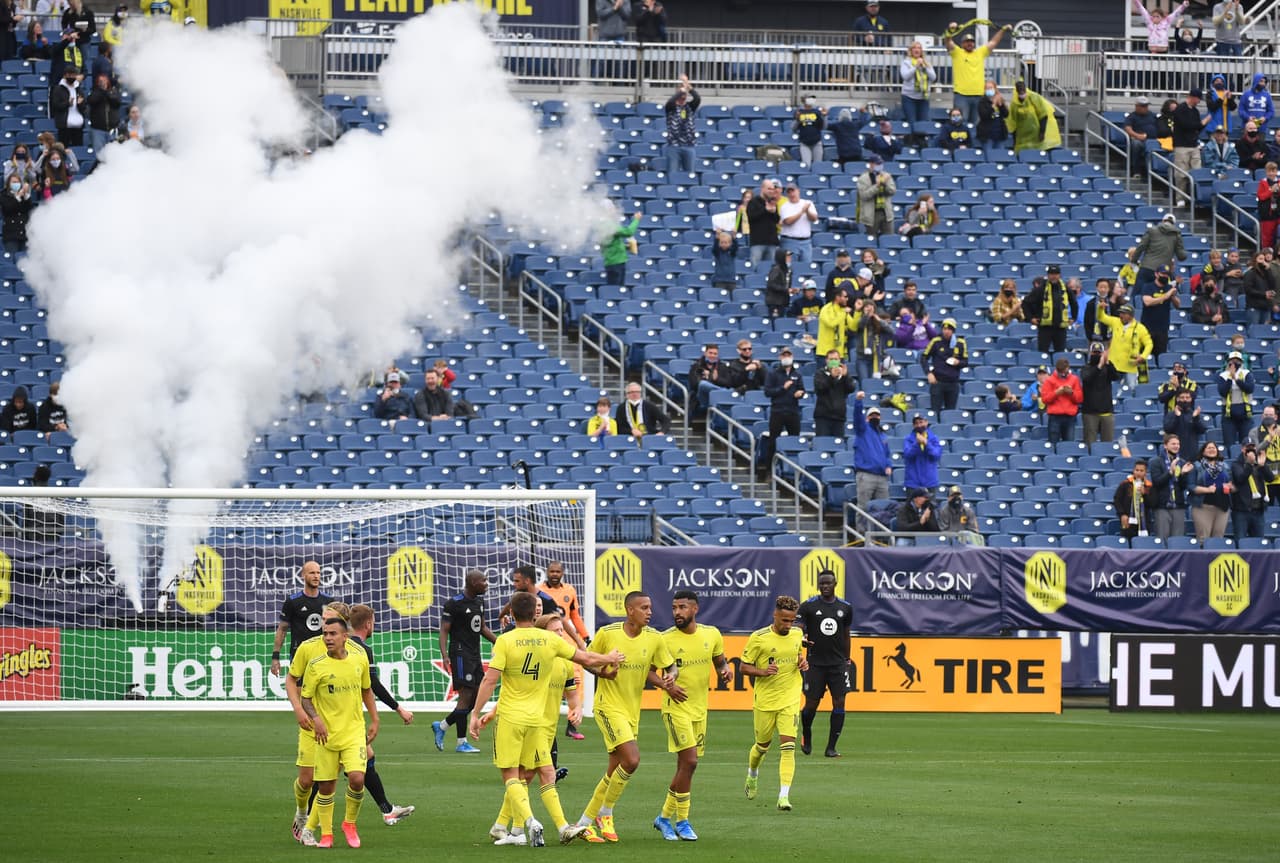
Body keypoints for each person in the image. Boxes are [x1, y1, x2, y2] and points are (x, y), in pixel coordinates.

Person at [473, 592, 625, 848]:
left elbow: (490, 679)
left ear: (510, 614)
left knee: (512, 775)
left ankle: (528, 823)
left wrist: (476, 714)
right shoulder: (549, 641)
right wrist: (610, 658)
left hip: (511, 718)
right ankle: (559, 827)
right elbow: (585, 658)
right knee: (543, 773)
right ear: (535, 613)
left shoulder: (505, 641)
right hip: (537, 721)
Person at [573, 590, 676, 843]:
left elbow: (668, 665)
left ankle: (584, 823)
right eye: (644, 608)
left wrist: (671, 677)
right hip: (608, 707)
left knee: (614, 769)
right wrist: (603, 673)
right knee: (631, 760)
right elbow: (587, 660)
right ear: (630, 610)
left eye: (650, 607)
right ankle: (605, 813)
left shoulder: (654, 638)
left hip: (631, 711)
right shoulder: (608, 634)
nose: (649, 612)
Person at [483, 612, 592, 846]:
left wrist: (577, 709)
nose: (561, 635)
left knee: (524, 775)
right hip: (531, 725)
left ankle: (507, 827)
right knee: (542, 774)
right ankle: (560, 827)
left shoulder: (563, 663)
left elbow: (572, 695)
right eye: (556, 632)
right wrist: (492, 713)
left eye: (562, 631)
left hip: (546, 728)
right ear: (543, 636)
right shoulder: (537, 661)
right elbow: (511, 691)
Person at [651, 590, 730, 842]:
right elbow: (649, 672)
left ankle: (663, 817)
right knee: (691, 762)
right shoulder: (664, 639)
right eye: (674, 607)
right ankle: (682, 821)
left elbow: (720, 662)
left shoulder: (712, 634)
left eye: (682, 607)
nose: (677, 612)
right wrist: (667, 686)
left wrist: (725, 671)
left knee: (685, 767)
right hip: (675, 709)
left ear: (695, 609)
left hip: (699, 709)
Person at [295, 615, 377, 849]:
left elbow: (367, 691)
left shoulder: (359, 660)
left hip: (353, 732)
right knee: (326, 787)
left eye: (332, 634)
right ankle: (327, 835)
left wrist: (375, 719)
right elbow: (306, 698)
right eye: (325, 634)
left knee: (357, 778)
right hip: (326, 735)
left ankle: (349, 823)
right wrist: (317, 720)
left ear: (345, 636)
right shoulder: (316, 664)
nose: (328, 638)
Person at [346, 605, 415, 827]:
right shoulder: (361, 649)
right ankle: (306, 814)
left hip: (346, 715)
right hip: (343, 718)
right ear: (368, 624)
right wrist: (398, 708)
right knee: (329, 773)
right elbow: (373, 684)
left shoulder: (343, 645)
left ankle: (387, 810)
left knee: (366, 757)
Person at [741, 595, 807, 811]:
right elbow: (743, 667)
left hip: (790, 697)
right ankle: (752, 774)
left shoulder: (797, 634)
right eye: (784, 620)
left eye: (792, 620)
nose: (788, 625)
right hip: (766, 701)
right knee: (762, 747)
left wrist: (802, 662)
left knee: (788, 747)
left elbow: (798, 655)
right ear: (775, 615)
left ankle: (784, 796)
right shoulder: (759, 638)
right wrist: (762, 672)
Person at [433, 568, 496, 754]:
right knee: (466, 696)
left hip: (475, 654)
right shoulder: (454, 604)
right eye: (483, 581)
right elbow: (444, 630)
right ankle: (461, 742)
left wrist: (499, 643)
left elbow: (482, 627)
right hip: (460, 654)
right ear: (472, 583)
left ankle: (443, 726)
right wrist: (444, 655)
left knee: (476, 697)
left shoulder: (479, 601)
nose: (486, 584)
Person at [795, 573, 852, 759]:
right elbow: (799, 628)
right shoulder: (808, 606)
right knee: (811, 703)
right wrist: (802, 639)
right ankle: (807, 733)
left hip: (837, 664)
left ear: (835, 583)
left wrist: (847, 658)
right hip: (815, 664)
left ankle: (831, 748)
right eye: (822, 583)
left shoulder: (845, 607)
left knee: (840, 701)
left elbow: (846, 634)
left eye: (828, 583)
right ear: (818, 585)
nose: (825, 586)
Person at [271, 561, 335, 679]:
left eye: (318, 573)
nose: (316, 576)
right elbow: (282, 630)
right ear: (303, 575)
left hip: (323, 655)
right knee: (300, 694)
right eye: (312, 573)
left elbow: (337, 629)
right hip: (299, 655)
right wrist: (275, 657)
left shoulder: (329, 601)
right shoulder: (293, 601)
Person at [944, 24, 1010, 126]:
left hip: (979, 96)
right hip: (961, 96)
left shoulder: (980, 53)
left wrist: (1003, 29)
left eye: (971, 42)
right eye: (967, 42)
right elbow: (948, 42)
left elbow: (993, 42)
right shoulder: (957, 52)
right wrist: (949, 30)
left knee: (977, 124)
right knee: (960, 124)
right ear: (962, 44)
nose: (970, 44)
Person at [761, 347, 806, 477]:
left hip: (793, 411)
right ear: (780, 357)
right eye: (784, 355)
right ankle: (768, 470)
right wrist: (783, 388)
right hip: (778, 411)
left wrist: (801, 393)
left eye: (789, 355)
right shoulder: (773, 374)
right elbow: (768, 392)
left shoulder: (797, 375)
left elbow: (802, 389)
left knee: (794, 441)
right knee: (773, 441)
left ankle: (793, 472)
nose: (786, 357)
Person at [851, 393, 892, 515]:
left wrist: (889, 465)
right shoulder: (862, 430)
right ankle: (861, 533)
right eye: (872, 415)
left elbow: (887, 454)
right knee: (863, 507)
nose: (875, 417)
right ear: (867, 418)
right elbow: (857, 416)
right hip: (866, 475)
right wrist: (858, 401)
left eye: (877, 415)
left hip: (882, 477)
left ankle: (879, 534)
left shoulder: (883, 435)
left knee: (883, 509)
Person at [1025, 264, 1077, 353]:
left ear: (1059, 275)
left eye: (1056, 274)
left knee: (1060, 353)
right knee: (1042, 353)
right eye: (1051, 274)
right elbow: (1026, 303)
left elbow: (1074, 303)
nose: (1054, 276)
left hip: (1060, 328)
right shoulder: (1041, 288)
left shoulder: (1065, 288)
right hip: (1045, 327)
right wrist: (1031, 318)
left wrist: (1073, 318)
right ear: (1048, 275)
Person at [1148, 434, 1190, 539]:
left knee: (1178, 538)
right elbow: (1157, 482)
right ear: (1165, 446)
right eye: (1173, 444)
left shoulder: (1182, 462)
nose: (1176, 446)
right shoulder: (1156, 462)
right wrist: (1170, 472)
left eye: (1178, 444)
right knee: (1162, 537)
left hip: (1178, 505)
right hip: (1162, 505)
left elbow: (1183, 486)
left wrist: (1183, 474)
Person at [921, 318, 967, 412]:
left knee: (950, 412)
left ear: (953, 331)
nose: (946, 331)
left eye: (949, 329)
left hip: (953, 383)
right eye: (944, 329)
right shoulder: (936, 341)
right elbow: (923, 358)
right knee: (935, 411)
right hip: (938, 382)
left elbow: (965, 362)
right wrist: (929, 373)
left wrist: (958, 363)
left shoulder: (960, 343)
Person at [1229, 443, 1272, 541]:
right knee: (1240, 541)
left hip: (1258, 510)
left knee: (1259, 541)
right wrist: (1249, 463)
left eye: (1253, 448)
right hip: (1241, 511)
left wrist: (1263, 466)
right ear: (1243, 449)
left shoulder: (1259, 463)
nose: (1251, 450)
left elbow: (1270, 478)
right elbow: (1240, 478)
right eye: (1248, 448)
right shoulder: (1237, 464)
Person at [1190, 441, 1232, 541]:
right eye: (1208, 448)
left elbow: (1231, 483)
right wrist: (1207, 490)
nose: (1212, 449)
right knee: (1203, 539)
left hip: (1222, 507)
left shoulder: (1225, 466)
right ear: (1203, 452)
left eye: (1214, 448)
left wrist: (1230, 486)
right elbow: (1191, 486)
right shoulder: (1196, 466)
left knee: (1218, 539)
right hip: (1203, 507)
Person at [1081, 343, 1121, 447]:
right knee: (1090, 442)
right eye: (1095, 352)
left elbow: (1116, 376)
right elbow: (1087, 379)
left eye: (1099, 353)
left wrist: (1107, 362)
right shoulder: (1086, 368)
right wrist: (1098, 367)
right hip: (1090, 412)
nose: (1097, 355)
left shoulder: (1107, 368)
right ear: (1090, 353)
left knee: (1107, 443)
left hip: (1106, 411)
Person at [1140, 265, 1182, 361]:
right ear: (1156, 274)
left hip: (1162, 329)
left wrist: (1173, 296)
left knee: (1161, 356)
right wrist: (1166, 295)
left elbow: (1178, 305)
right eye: (1162, 273)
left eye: (1167, 274)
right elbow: (1147, 302)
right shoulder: (1148, 287)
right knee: (1145, 356)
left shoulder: (1169, 287)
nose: (1165, 276)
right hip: (1147, 328)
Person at [1006, 79, 1061, 152]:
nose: (1022, 94)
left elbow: (1043, 115)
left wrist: (1042, 132)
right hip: (1024, 135)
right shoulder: (1014, 103)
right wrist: (1015, 140)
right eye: (1020, 92)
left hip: (1038, 133)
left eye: (1023, 91)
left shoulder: (1034, 98)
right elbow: (1013, 122)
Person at [1219, 350, 1256, 453]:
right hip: (1228, 414)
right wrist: (1230, 378)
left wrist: (1237, 379)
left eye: (1237, 361)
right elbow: (1222, 392)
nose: (1234, 363)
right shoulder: (1223, 375)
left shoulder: (1247, 374)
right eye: (1232, 361)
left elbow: (1250, 389)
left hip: (1245, 412)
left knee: (1247, 443)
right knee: (1229, 444)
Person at [1041, 357, 1083, 444]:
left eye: (1065, 371)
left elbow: (1079, 399)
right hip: (1055, 417)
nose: (1063, 374)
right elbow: (1045, 399)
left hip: (1070, 417)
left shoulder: (1074, 379)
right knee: (1053, 444)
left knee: (1069, 444)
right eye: (1061, 372)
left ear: (1068, 368)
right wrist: (1056, 393)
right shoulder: (1049, 380)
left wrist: (1071, 393)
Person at [813, 349, 854, 437]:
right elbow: (820, 388)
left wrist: (845, 376)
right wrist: (831, 377)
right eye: (831, 359)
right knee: (823, 445)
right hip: (823, 417)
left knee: (838, 444)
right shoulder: (820, 373)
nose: (833, 361)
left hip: (839, 417)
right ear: (826, 360)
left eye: (836, 359)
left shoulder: (843, 374)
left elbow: (851, 388)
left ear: (840, 360)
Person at [663, 76, 699, 174]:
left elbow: (697, 98)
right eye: (681, 92)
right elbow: (670, 101)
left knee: (690, 173)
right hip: (674, 145)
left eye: (685, 92)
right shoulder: (671, 107)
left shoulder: (690, 107)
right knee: (672, 172)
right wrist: (680, 91)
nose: (684, 94)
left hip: (689, 145)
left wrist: (689, 87)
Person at [688, 343, 736, 415]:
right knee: (703, 384)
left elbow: (729, 383)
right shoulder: (697, 366)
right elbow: (694, 385)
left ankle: (723, 393)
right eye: (710, 353)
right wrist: (709, 377)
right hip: (702, 398)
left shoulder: (722, 366)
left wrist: (717, 379)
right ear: (705, 353)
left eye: (715, 354)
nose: (713, 356)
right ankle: (726, 393)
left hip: (718, 398)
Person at [855, 154, 895, 240]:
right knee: (871, 239)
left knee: (889, 239)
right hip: (871, 214)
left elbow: (892, 191)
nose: (879, 166)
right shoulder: (863, 178)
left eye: (880, 164)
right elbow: (864, 196)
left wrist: (884, 183)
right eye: (877, 164)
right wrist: (877, 186)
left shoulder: (886, 176)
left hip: (886, 213)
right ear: (871, 164)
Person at [902, 413, 942, 495]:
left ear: (926, 422)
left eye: (921, 422)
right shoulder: (908, 439)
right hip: (913, 482)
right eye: (916, 423)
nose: (919, 425)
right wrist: (917, 443)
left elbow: (936, 455)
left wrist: (926, 443)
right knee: (911, 507)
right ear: (913, 425)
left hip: (930, 482)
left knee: (930, 507)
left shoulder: (934, 438)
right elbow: (908, 455)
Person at [778, 183, 818, 263]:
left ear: (798, 191)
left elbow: (814, 219)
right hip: (790, 241)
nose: (791, 194)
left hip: (806, 242)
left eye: (793, 191)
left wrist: (807, 211)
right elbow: (788, 221)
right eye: (789, 192)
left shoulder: (807, 203)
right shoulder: (785, 206)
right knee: (790, 266)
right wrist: (802, 211)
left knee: (806, 266)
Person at [898, 41, 936, 125]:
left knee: (923, 124)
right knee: (912, 123)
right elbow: (905, 76)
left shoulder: (926, 63)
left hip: (923, 98)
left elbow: (933, 77)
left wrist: (925, 67)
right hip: (909, 97)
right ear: (911, 51)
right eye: (914, 48)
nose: (917, 50)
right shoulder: (906, 62)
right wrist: (916, 66)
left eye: (919, 48)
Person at [745, 178, 781, 265]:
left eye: (773, 189)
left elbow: (776, 220)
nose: (771, 191)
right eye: (769, 189)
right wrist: (765, 210)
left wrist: (773, 212)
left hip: (772, 242)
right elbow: (751, 217)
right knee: (756, 269)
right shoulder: (753, 202)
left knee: (771, 270)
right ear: (762, 188)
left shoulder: (772, 202)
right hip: (758, 242)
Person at [1114, 461, 1154, 540]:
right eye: (1137, 470)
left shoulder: (1150, 486)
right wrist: (1122, 514)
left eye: (1141, 471)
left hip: (1144, 521)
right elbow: (1117, 500)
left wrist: (1144, 494)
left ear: (1146, 472)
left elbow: (1152, 504)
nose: (1138, 473)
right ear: (1133, 471)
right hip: (1128, 520)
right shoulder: (1125, 484)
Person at [0, 169, 36, 254]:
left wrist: (26, 196)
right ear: (8, 184)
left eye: (17, 182)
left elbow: (30, 210)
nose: (15, 184)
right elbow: (8, 208)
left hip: (24, 233)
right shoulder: (3, 195)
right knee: (12, 259)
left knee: (25, 261)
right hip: (11, 234)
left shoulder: (24, 195)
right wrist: (18, 197)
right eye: (13, 182)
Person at [50, 63, 86, 148]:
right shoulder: (58, 89)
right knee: (63, 149)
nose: (72, 77)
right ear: (65, 75)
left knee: (78, 149)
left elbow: (84, 107)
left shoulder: (79, 89)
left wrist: (80, 103)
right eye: (70, 74)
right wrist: (67, 103)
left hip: (78, 126)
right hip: (64, 126)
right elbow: (55, 105)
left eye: (74, 75)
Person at [1163, 388, 1209, 455]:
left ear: (1191, 399)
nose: (1185, 400)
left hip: (1192, 453)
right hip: (1176, 453)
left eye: (1187, 397)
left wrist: (1195, 418)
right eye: (1182, 397)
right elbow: (1167, 429)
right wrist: (1177, 417)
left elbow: (1202, 430)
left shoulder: (1194, 414)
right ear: (1177, 399)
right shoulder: (1171, 414)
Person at [86, 72, 120, 155]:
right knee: (100, 155)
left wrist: (106, 92)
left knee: (113, 154)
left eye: (104, 80)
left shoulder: (113, 92)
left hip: (112, 129)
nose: (103, 82)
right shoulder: (94, 92)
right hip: (98, 130)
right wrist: (101, 91)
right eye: (100, 81)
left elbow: (117, 102)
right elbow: (92, 100)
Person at [602, 211, 640, 286]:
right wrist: (636, 219)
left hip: (610, 262)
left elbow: (611, 244)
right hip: (616, 263)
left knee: (614, 288)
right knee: (616, 289)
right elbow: (628, 232)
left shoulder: (601, 227)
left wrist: (626, 247)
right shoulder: (609, 225)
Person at [1243, 251, 1278, 324]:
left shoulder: (1267, 273)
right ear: (1255, 259)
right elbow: (1248, 290)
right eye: (1260, 259)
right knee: (1254, 329)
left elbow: (1273, 285)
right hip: (1254, 306)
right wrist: (1264, 294)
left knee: (1265, 330)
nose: (1263, 261)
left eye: (1264, 259)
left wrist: (1268, 270)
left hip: (1266, 306)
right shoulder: (1250, 273)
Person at [792, 96, 826, 167]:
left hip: (817, 141)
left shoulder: (817, 112)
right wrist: (798, 120)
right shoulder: (799, 112)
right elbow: (793, 128)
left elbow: (823, 127)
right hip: (804, 142)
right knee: (807, 165)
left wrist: (824, 117)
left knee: (818, 165)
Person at [976, 79, 1009, 149]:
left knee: (1000, 156)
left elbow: (1006, 114)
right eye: (987, 88)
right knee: (989, 156)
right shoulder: (982, 102)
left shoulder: (999, 100)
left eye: (991, 88)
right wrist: (993, 105)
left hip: (999, 134)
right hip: (987, 135)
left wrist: (1001, 105)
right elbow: (984, 116)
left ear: (995, 89)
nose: (989, 90)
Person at [764, 247, 793, 318]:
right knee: (775, 320)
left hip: (783, 301)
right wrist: (786, 290)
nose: (790, 258)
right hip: (775, 301)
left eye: (790, 256)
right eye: (787, 256)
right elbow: (771, 284)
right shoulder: (776, 269)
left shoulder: (788, 270)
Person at [1257, 162, 1280, 252]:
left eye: (1273, 171)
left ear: (1276, 171)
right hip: (1267, 215)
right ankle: (1267, 257)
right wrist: (1271, 190)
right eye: (1269, 171)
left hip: (1278, 213)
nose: (1271, 173)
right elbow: (1261, 196)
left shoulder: (1279, 182)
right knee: (1267, 240)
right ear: (1266, 172)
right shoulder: (1263, 183)